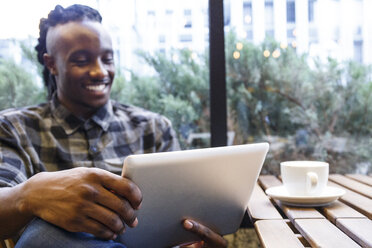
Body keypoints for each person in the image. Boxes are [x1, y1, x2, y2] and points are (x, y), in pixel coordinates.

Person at [0, 4, 227, 248]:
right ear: (51, 64)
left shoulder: (153, 129)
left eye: (107, 59)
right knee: (45, 233)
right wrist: (30, 195)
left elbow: (184, 219)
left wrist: (195, 240)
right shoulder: (15, 128)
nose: (100, 71)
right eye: (81, 61)